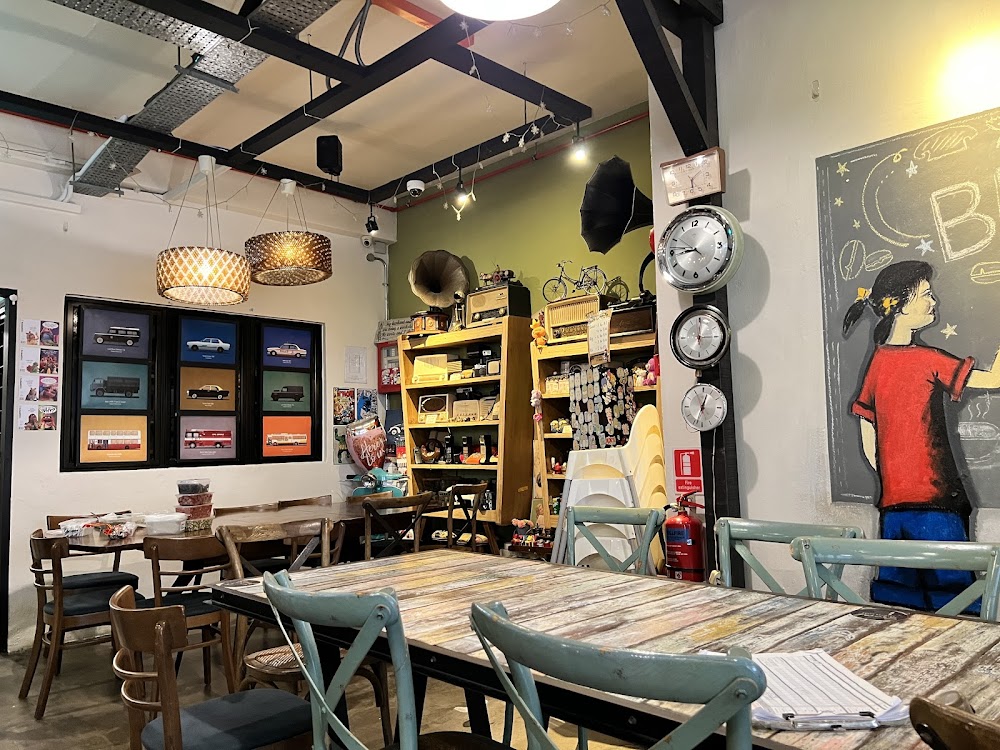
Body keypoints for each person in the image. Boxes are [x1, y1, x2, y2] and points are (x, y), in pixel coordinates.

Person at [843, 260, 1000, 611]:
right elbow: (993, 379)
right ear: (901, 304)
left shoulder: (878, 362)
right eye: (926, 294)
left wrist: (892, 474)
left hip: (895, 504)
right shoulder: (928, 359)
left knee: (898, 598)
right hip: (937, 503)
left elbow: (867, 428)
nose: (934, 302)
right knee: (956, 600)